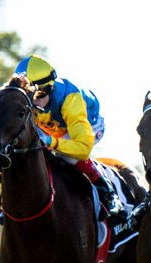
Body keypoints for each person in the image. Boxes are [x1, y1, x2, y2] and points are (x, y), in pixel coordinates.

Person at [12, 55, 132, 237]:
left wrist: (51, 142)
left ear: (50, 87)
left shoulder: (70, 99)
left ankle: (108, 194)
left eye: (39, 95)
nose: (34, 103)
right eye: (28, 97)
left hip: (86, 124)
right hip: (53, 126)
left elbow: (82, 149)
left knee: (66, 155)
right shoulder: (33, 102)